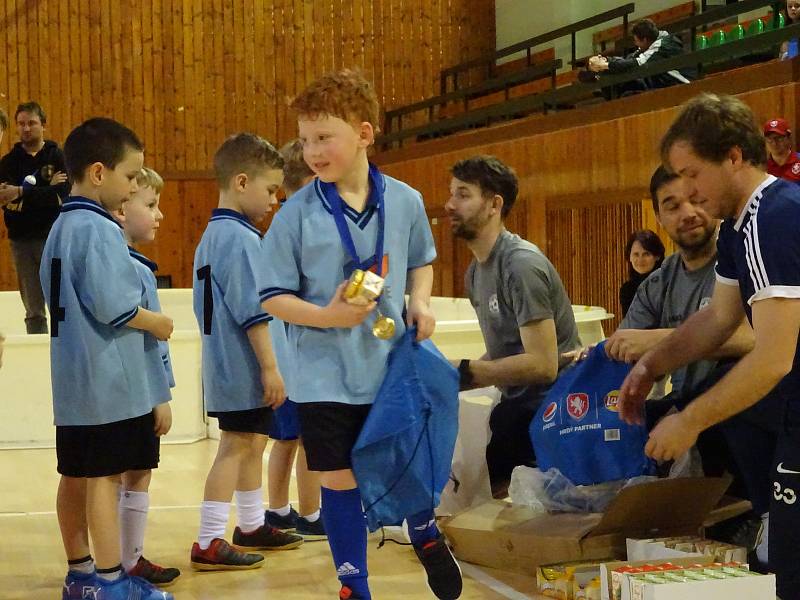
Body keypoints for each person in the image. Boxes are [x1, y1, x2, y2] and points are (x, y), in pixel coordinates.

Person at [260, 69, 462, 600]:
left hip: (389, 364)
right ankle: (355, 585)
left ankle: (422, 531)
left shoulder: (407, 201)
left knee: (403, 458)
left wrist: (419, 301)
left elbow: (421, 262)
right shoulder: (295, 216)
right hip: (322, 376)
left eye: (324, 137)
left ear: (365, 134)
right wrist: (326, 316)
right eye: (305, 141)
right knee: (337, 478)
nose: (312, 152)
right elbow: (271, 297)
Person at [619, 93, 800, 599]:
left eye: (693, 173)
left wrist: (690, 421)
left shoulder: (773, 218)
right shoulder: (740, 230)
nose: (689, 191)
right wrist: (652, 364)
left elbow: (771, 357)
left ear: (734, 157)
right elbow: (718, 318)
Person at [41, 117, 174, 600]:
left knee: (75, 476)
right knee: (101, 479)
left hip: (75, 380)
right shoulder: (96, 229)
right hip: (104, 384)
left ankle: (81, 575)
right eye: (132, 176)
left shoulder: (61, 226)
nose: (135, 185)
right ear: (99, 173)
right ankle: (113, 581)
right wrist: (157, 323)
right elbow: (113, 305)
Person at [606, 167, 769, 559]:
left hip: (744, 405)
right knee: (622, 417)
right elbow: (627, 345)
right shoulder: (659, 282)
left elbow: (754, 337)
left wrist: (656, 342)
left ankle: (755, 520)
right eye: (672, 205)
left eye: (695, 200)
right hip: (684, 404)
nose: (688, 213)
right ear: (659, 218)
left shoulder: (740, 259)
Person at [190, 133, 303, 572]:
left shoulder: (214, 234)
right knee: (236, 446)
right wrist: (271, 368)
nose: (275, 199)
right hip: (243, 366)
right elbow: (253, 312)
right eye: (270, 189)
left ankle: (252, 524)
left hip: (232, 365)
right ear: (241, 182)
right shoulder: (238, 239)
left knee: (253, 441)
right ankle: (209, 538)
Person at [445, 155, 581, 496]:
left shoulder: (520, 264)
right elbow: (503, 350)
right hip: (517, 408)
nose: (450, 204)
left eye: (463, 194)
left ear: (494, 204)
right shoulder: (475, 273)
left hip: (552, 409)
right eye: (452, 194)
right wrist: (445, 380)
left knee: (503, 453)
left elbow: (543, 365)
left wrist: (465, 371)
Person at [111, 166, 181, 586]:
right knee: (137, 472)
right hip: (136, 390)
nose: (159, 216)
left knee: (127, 473)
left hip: (128, 389)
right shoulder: (131, 268)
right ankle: (128, 560)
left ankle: (122, 557)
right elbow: (147, 340)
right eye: (151, 205)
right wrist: (161, 394)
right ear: (122, 210)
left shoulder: (130, 262)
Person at [264, 139, 326, 540]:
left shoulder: (283, 222)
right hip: (297, 353)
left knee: (286, 439)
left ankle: (277, 510)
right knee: (304, 439)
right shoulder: (300, 223)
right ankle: (309, 512)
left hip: (287, 351)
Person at [0, 101, 70, 334]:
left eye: (31, 123)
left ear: (43, 125)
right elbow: (9, 205)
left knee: (60, 302)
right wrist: (45, 189)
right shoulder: (8, 163)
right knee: (33, 308)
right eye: (21, 124)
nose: (26, 128)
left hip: (53, 237)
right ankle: (37, 353)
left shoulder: (58, 157)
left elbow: (61, 197)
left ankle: (64, 352)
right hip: (21, 241)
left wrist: (21, 192)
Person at [586, 19, 694, 97]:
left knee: (631, 81)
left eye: (636, 41)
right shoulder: (651, 44)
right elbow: (629, 59)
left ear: (645, 40)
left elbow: (636, 63)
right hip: (665, 84)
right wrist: (605, 61)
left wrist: (605, 65)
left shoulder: (662, 46)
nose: (636, 44)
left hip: (681, 85)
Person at [619, 229, 665, 317]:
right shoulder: (627, 290)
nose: (640, 260)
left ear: (657, 256)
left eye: (646, 254)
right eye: (636, 254)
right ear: (629, 257)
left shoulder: (669, 285)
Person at [764, 118, 800, 184]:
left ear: (789, 138)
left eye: (778, 138)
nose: (774, 143)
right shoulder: (762, 167)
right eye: (769, 139)